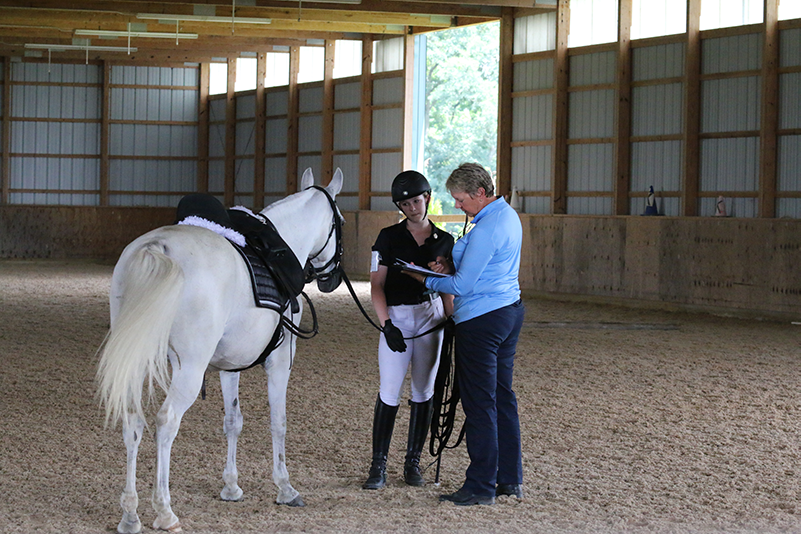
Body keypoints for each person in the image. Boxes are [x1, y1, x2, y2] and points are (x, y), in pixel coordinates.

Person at [404, 162, 525, 506]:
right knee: (502, 397)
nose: (456, 204)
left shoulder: (487, 227)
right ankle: (509, 479)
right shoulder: (504, 216)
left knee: (479, 402)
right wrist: (450, 264)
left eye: (460, 199)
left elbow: (461, 286)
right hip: (507, 311)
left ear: (480, 193)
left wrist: (422, 278)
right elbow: (479, 266)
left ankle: (480, 485)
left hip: (482, 319)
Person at [362, 170, 454, 490]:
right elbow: (376, 285)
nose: (412, 208)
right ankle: (378, 465)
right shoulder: (387, 237)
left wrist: (451, 319)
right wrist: (386, 324)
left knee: (423, 391)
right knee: (389, 391)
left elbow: (447, 286)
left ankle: (412, 462)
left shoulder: (444, 240)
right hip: (398, 318)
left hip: (431, 318)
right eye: (405, 204)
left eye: (416, 201)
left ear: (427, 197)